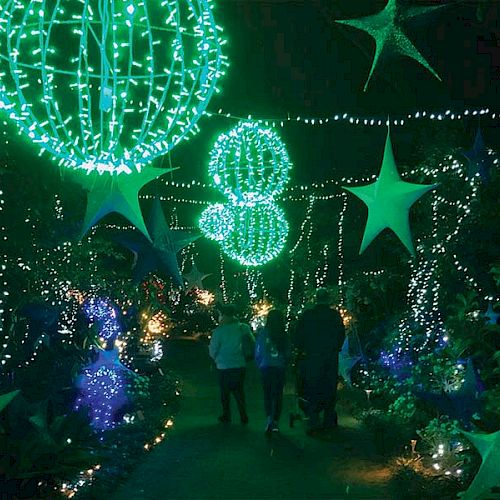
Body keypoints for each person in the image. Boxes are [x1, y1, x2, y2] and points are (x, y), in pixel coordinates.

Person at [294, 288, 345, 434]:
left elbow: (298, 336)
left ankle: (313, 417)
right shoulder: (334, 316)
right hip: (329, 357)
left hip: (312, 357)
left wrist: (302, 349)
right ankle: (328, 418)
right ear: (328, 299)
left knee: (312, 386)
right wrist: (335, 348)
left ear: (316, 299)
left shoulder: (308, 315)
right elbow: (341, 335)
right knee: (329, 386)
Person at [209, 304, 254, 424]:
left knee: (225, 392)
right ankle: (243, 414)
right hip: (239, 364)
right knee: (239, 391)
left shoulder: (219, 330)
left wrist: (215, 358)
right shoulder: (243, 328)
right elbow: (251, 342)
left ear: (223, 315)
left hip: (223, 365)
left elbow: (213, 349)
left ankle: (226, 415)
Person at [255, 309, 290, 433]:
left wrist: (259, 364)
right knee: (278, 395)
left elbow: (258, 351)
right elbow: (287, 353)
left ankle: (269, 418)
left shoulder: (263, 333)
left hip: (266, 368)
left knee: (267, 394)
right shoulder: (283, 335)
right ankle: (276, 420)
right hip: (279, 368)